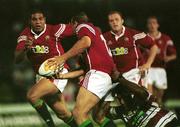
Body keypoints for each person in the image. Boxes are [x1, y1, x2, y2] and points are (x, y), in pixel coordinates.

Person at [47, 12, 116, 127]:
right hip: (107, 76)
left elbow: (85, 42)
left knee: (78, 113)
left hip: (98, 74)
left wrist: (62, 58)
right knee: (99, 117)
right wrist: (63, 76)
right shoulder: (96, 35)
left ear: (73, 23)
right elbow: (84, 70)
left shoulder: (82, 26)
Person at [14, 9, 77, 127]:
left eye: (40, 19)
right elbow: (17, 59)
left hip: (57, 73)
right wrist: (25, 49)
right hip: (41, 78)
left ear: (44, 20)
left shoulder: (54, 30)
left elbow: (77, 29)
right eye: (34, 19)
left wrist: (90, 29)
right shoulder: (25, 35)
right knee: (63, 114)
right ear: (30, 21)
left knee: (32, 96)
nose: (38, 22)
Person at [103, 11, 158, 88]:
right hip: (117, 76)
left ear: (122, 21)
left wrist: (148, 64)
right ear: (108, 23)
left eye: (117, 19)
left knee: (135, 96)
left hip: (135, 73)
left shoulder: (133, 34)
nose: (114, 22)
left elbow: (154, 46)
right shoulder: (104, 38)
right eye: (111, 21)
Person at [106, 76, 179, 127]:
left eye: (125, 96)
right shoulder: (120, 111)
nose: (121, 101)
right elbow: (101, 114)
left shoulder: (141, 99)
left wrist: (119, 79)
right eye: (119, 98)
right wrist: (107, 98)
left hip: (167, 123)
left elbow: (142, 92)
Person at [145, 16, 177, 105]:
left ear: (158, 25)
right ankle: (151, 112)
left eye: (154, 23)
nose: (152, 25)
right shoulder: (144, 38)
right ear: (147, 25)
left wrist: (167, 58)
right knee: (150, 95)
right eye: (149, 23)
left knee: (159, 96)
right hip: (148, 68)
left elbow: (174, 55)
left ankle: (159, 110)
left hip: (160, 69)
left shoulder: (165, 38)